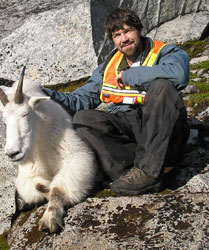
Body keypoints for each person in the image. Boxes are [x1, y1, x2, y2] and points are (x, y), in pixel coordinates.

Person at [42, 8, 190, 195]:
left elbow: (179, 75)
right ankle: (126, 171)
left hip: (166, 133)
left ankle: (149, 173)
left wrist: (130, 76)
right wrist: (43, 94)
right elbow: (80, 100)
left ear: (139, 30)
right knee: (82, 118)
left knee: (162, 87)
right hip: (133, 132)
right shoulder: (108, 67)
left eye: (128, 31)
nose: (124, 39)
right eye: (117, 35)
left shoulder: (165, 52)